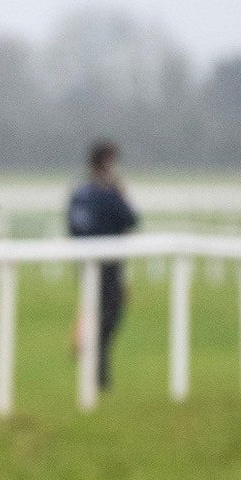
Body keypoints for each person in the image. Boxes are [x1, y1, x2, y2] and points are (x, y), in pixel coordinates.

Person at [67, 140, 139, 389]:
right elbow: (131, 219)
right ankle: (98, 372)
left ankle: (94, 363)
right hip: (108, 264)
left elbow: (74, 227)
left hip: (87, 262)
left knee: (98, 313)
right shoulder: (106, 193)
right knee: (107, 316)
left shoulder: (81, 191)